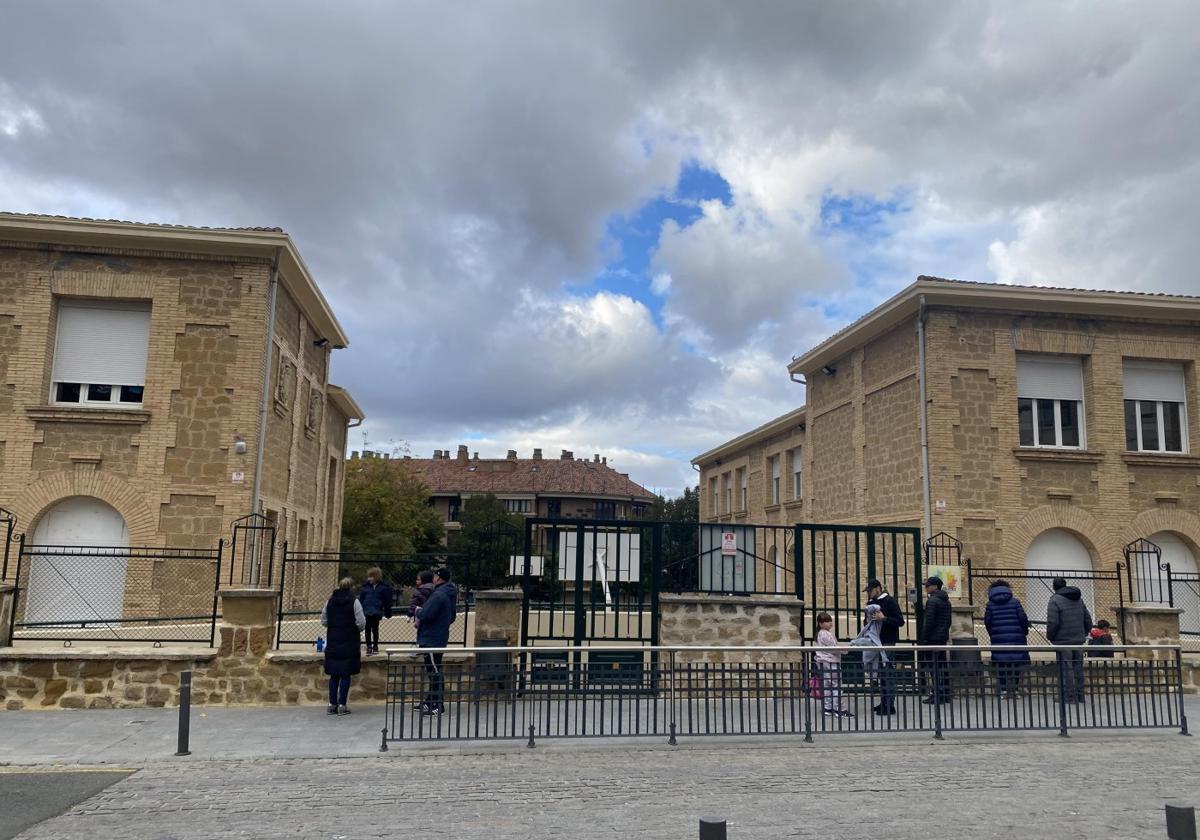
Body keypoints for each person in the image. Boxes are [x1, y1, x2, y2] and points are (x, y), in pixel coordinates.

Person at [415, 566, 458, 716]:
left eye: (434, 576)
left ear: (438, 578)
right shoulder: (448, 594)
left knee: (434, 671)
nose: (432, 579)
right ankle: (430, 700)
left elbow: (426, 614)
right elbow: (452, 617)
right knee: (434, 670)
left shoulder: (439, 595)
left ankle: (437, 704)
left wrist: (418, 611)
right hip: (438, 636)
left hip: (432, 638)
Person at [321, 577, 366, 716]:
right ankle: (342, 704)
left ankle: (331, 703)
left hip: (333, 639)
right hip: (349, 640)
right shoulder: (354, 601)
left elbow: (323, 620)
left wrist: (334, 625)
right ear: (351, 587)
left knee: (334, 674)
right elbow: (361, 622)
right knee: (345, 674)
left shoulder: (330, 601)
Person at [1046, 577, 1092, 703]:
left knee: (1066, 668)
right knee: (1078, 667)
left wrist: (1050, 636)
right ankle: (1080, 695)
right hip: (1078, 640)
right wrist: (1084, 633)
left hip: (1062, 640)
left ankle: (1069, 696)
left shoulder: (1054, 600)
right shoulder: (1079, 599)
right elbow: (1088, 620)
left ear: (1054, 587)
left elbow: (1053, 622)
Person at [983, 579, 1031, 698]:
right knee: (1016, 664)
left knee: (1001, 665)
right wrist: (1024, 631)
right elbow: (1023, 618)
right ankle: (1015, 690)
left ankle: (1004, 690)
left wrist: (993, 633)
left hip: (998, 639)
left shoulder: (990, 604)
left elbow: (987, 622)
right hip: (1017, 638)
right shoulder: (1015, 602)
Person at [864, 578, 904, 715]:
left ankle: (889, 705)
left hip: (887, 641)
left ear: (877, 588)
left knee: (887, 673)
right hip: (875, 642)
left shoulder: (889, 601)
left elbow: (900, 621)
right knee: (880, 673)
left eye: (870, 590)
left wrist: (884, 619)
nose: (868, 593)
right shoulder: (871, 602)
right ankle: (884, 702)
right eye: (867, 591)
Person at [921, 576, 952, 705]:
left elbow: (929, 621)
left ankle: (937, 694)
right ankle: (945, 694)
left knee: (933, 667)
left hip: (933, 638)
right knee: (942, 665)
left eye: (927, 585)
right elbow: (949, 621)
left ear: (935, 586)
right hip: (942, 637)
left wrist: (925, 637)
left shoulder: (932, 601)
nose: (925, 588)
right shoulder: (946, 601)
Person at [814, 612, 851, 718]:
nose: (829, 623)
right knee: (836, 685)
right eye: (826, 621)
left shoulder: (820, 634)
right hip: (831, 662)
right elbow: (834, 648)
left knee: (827, 686)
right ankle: (840, 709)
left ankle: (828, 707)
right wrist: (847, 649)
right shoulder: (826, 634)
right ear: (821, 624)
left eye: (830, 620)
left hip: (823, 662)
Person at [358, 567, 393, 655]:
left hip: (376, 610)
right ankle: (369, 646)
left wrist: (387, 612)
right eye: (369, 576)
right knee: (367, 629)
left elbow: (387, 600)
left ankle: (375, 645)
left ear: (376, 577)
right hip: (366, 611)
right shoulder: (365, 587)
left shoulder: (383, 587)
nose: (369, 578)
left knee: (375, 629)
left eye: (371, 576)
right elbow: (361, 599)